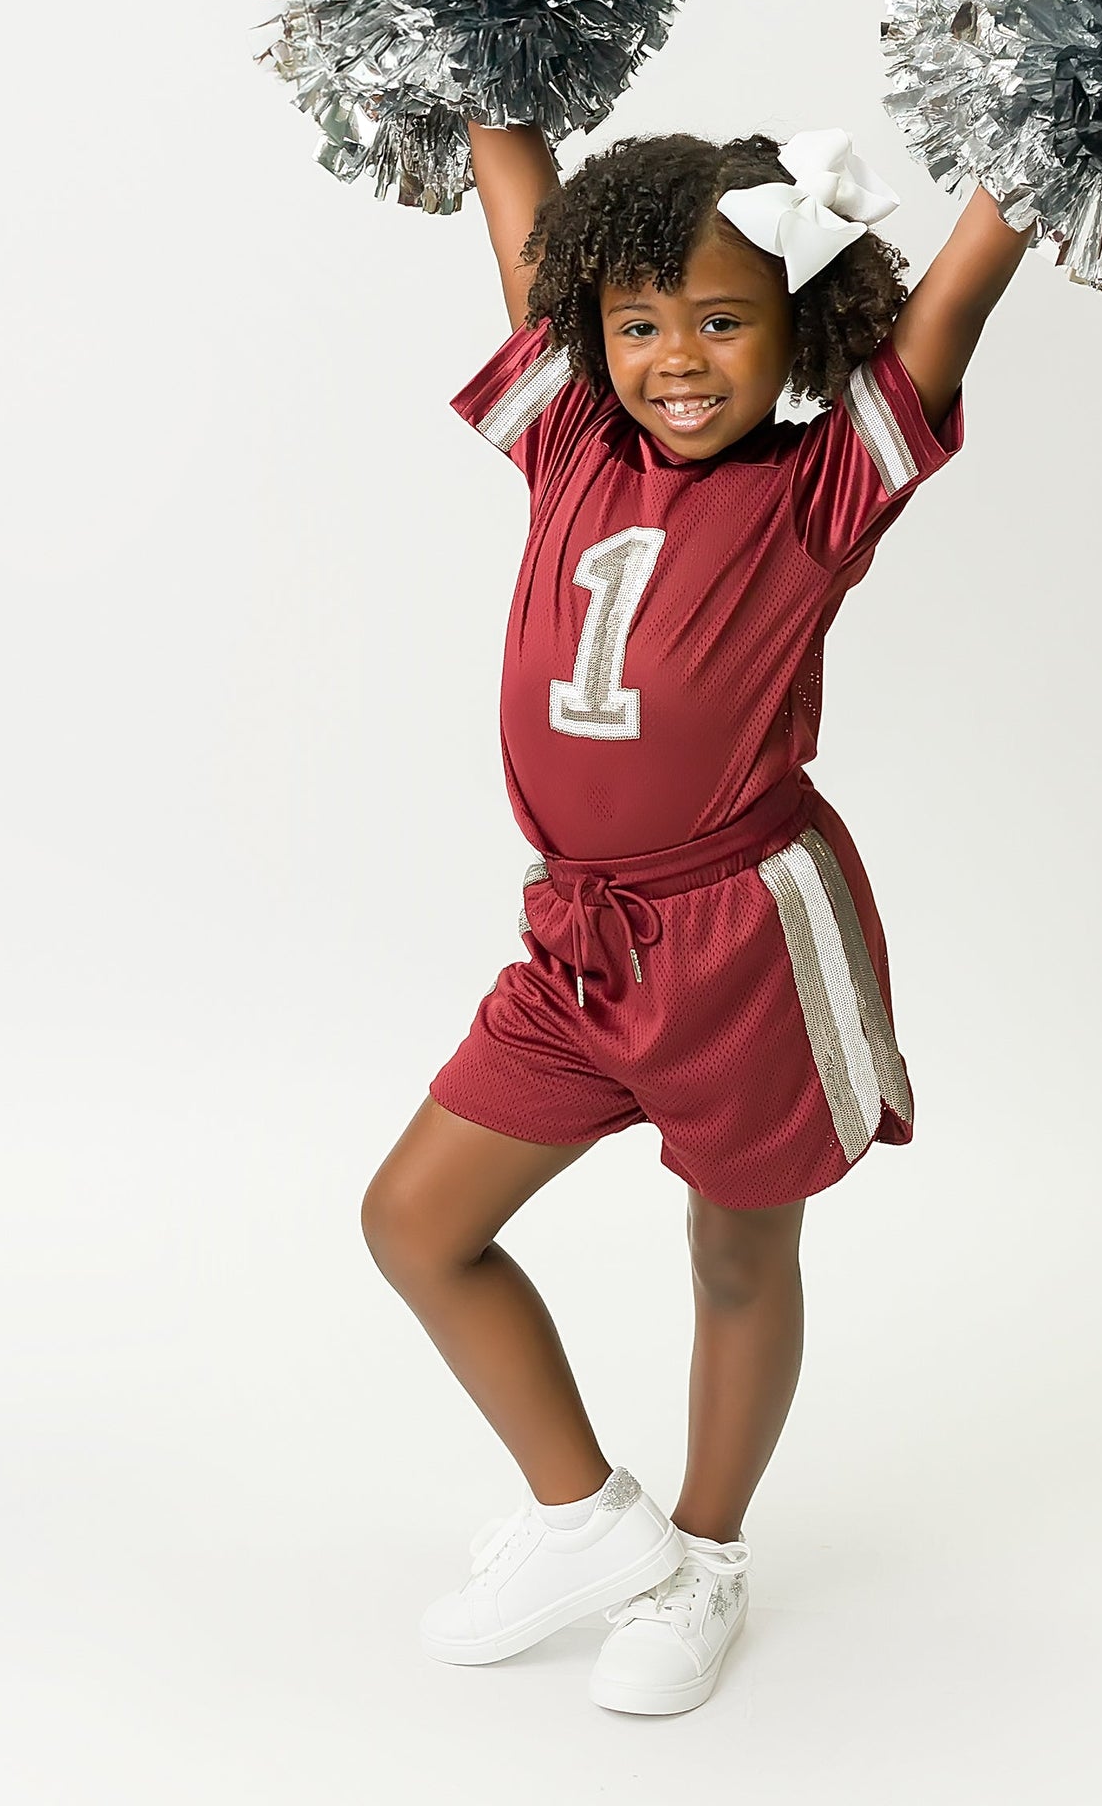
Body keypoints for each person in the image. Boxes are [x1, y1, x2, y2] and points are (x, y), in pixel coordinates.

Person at [360, 121, 1033, 1715]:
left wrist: (1048, 137)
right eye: (639, 323)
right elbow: (525, 226)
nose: (676, 358)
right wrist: (489, 62)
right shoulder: (567, 446)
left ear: (800, 325)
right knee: (416, 1222)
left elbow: (949, 314)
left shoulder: (820, 490)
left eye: (723, 321)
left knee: (736, 1249)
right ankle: (591, 1521)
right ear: (590, 329)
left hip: (742, 936)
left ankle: (709, 1555)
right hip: (579, 941)